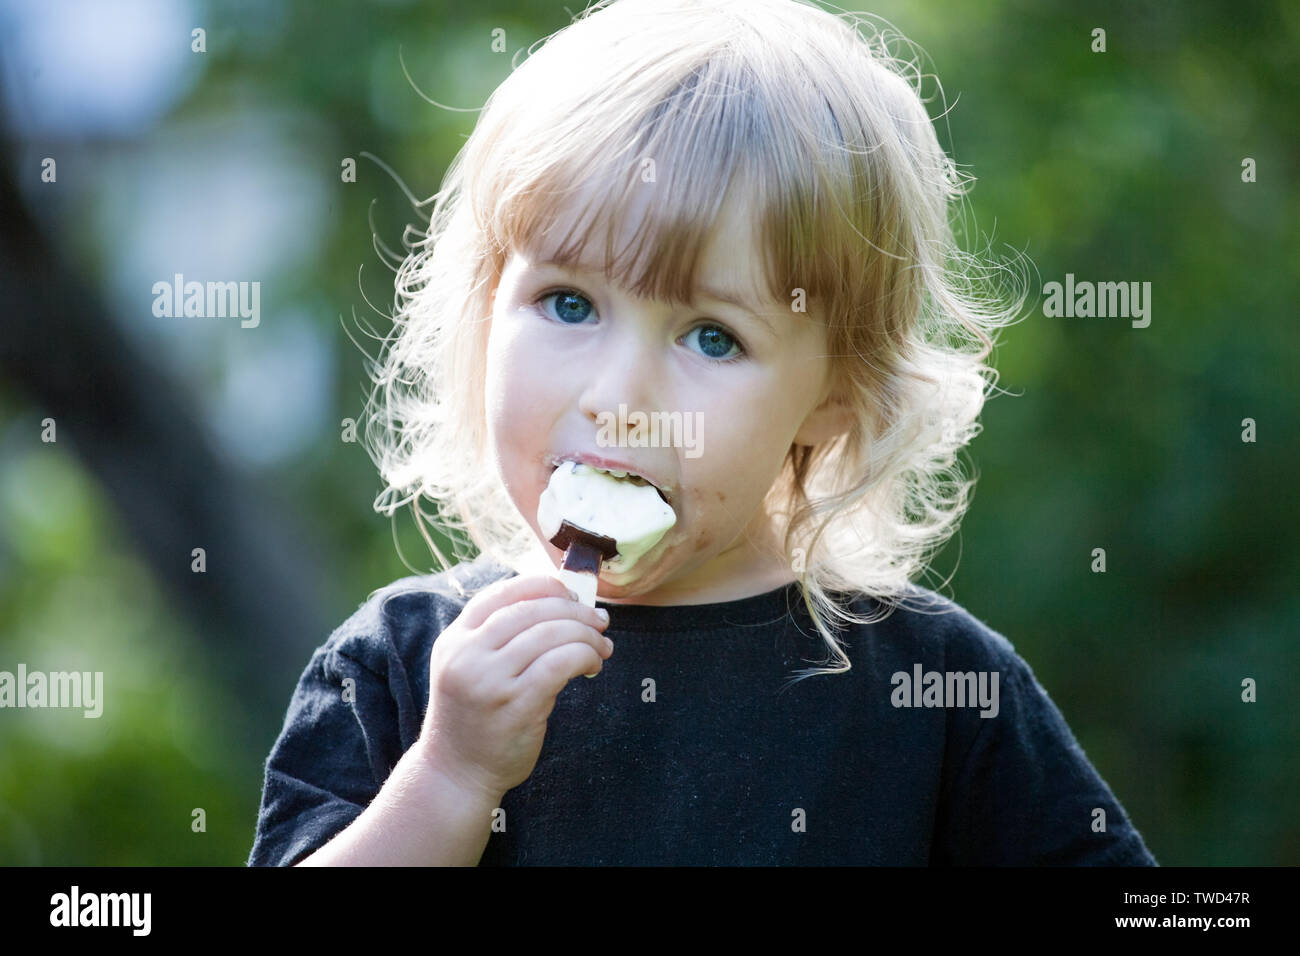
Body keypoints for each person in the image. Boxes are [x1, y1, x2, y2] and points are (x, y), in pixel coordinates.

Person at [249, 0, 1156, 866]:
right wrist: (451, 779)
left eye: (712, 336)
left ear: (836, 398)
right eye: (569, 303)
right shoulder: (404, 667)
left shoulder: (935, 688)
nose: (619, 395)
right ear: (487, 310)